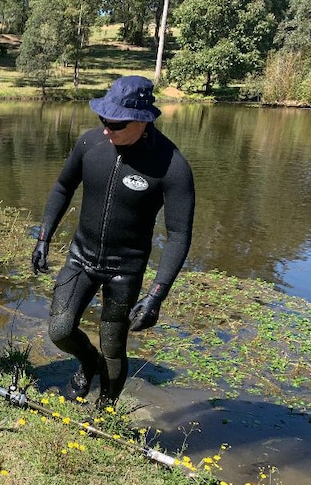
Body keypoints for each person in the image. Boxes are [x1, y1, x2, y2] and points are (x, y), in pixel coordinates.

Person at [31, 76, 195, 406]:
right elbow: (63, 187)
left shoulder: (171, 165)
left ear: (143, 120)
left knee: (112, 345)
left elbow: (178, 236)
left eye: (117, 124)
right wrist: (44, 237)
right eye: (103, 119)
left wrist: (155, 296)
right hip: (81, 257)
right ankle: (86, 362)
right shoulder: (90, 144)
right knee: (60, 329)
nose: (107, 129)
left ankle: (106, 410)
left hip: (125, 270)